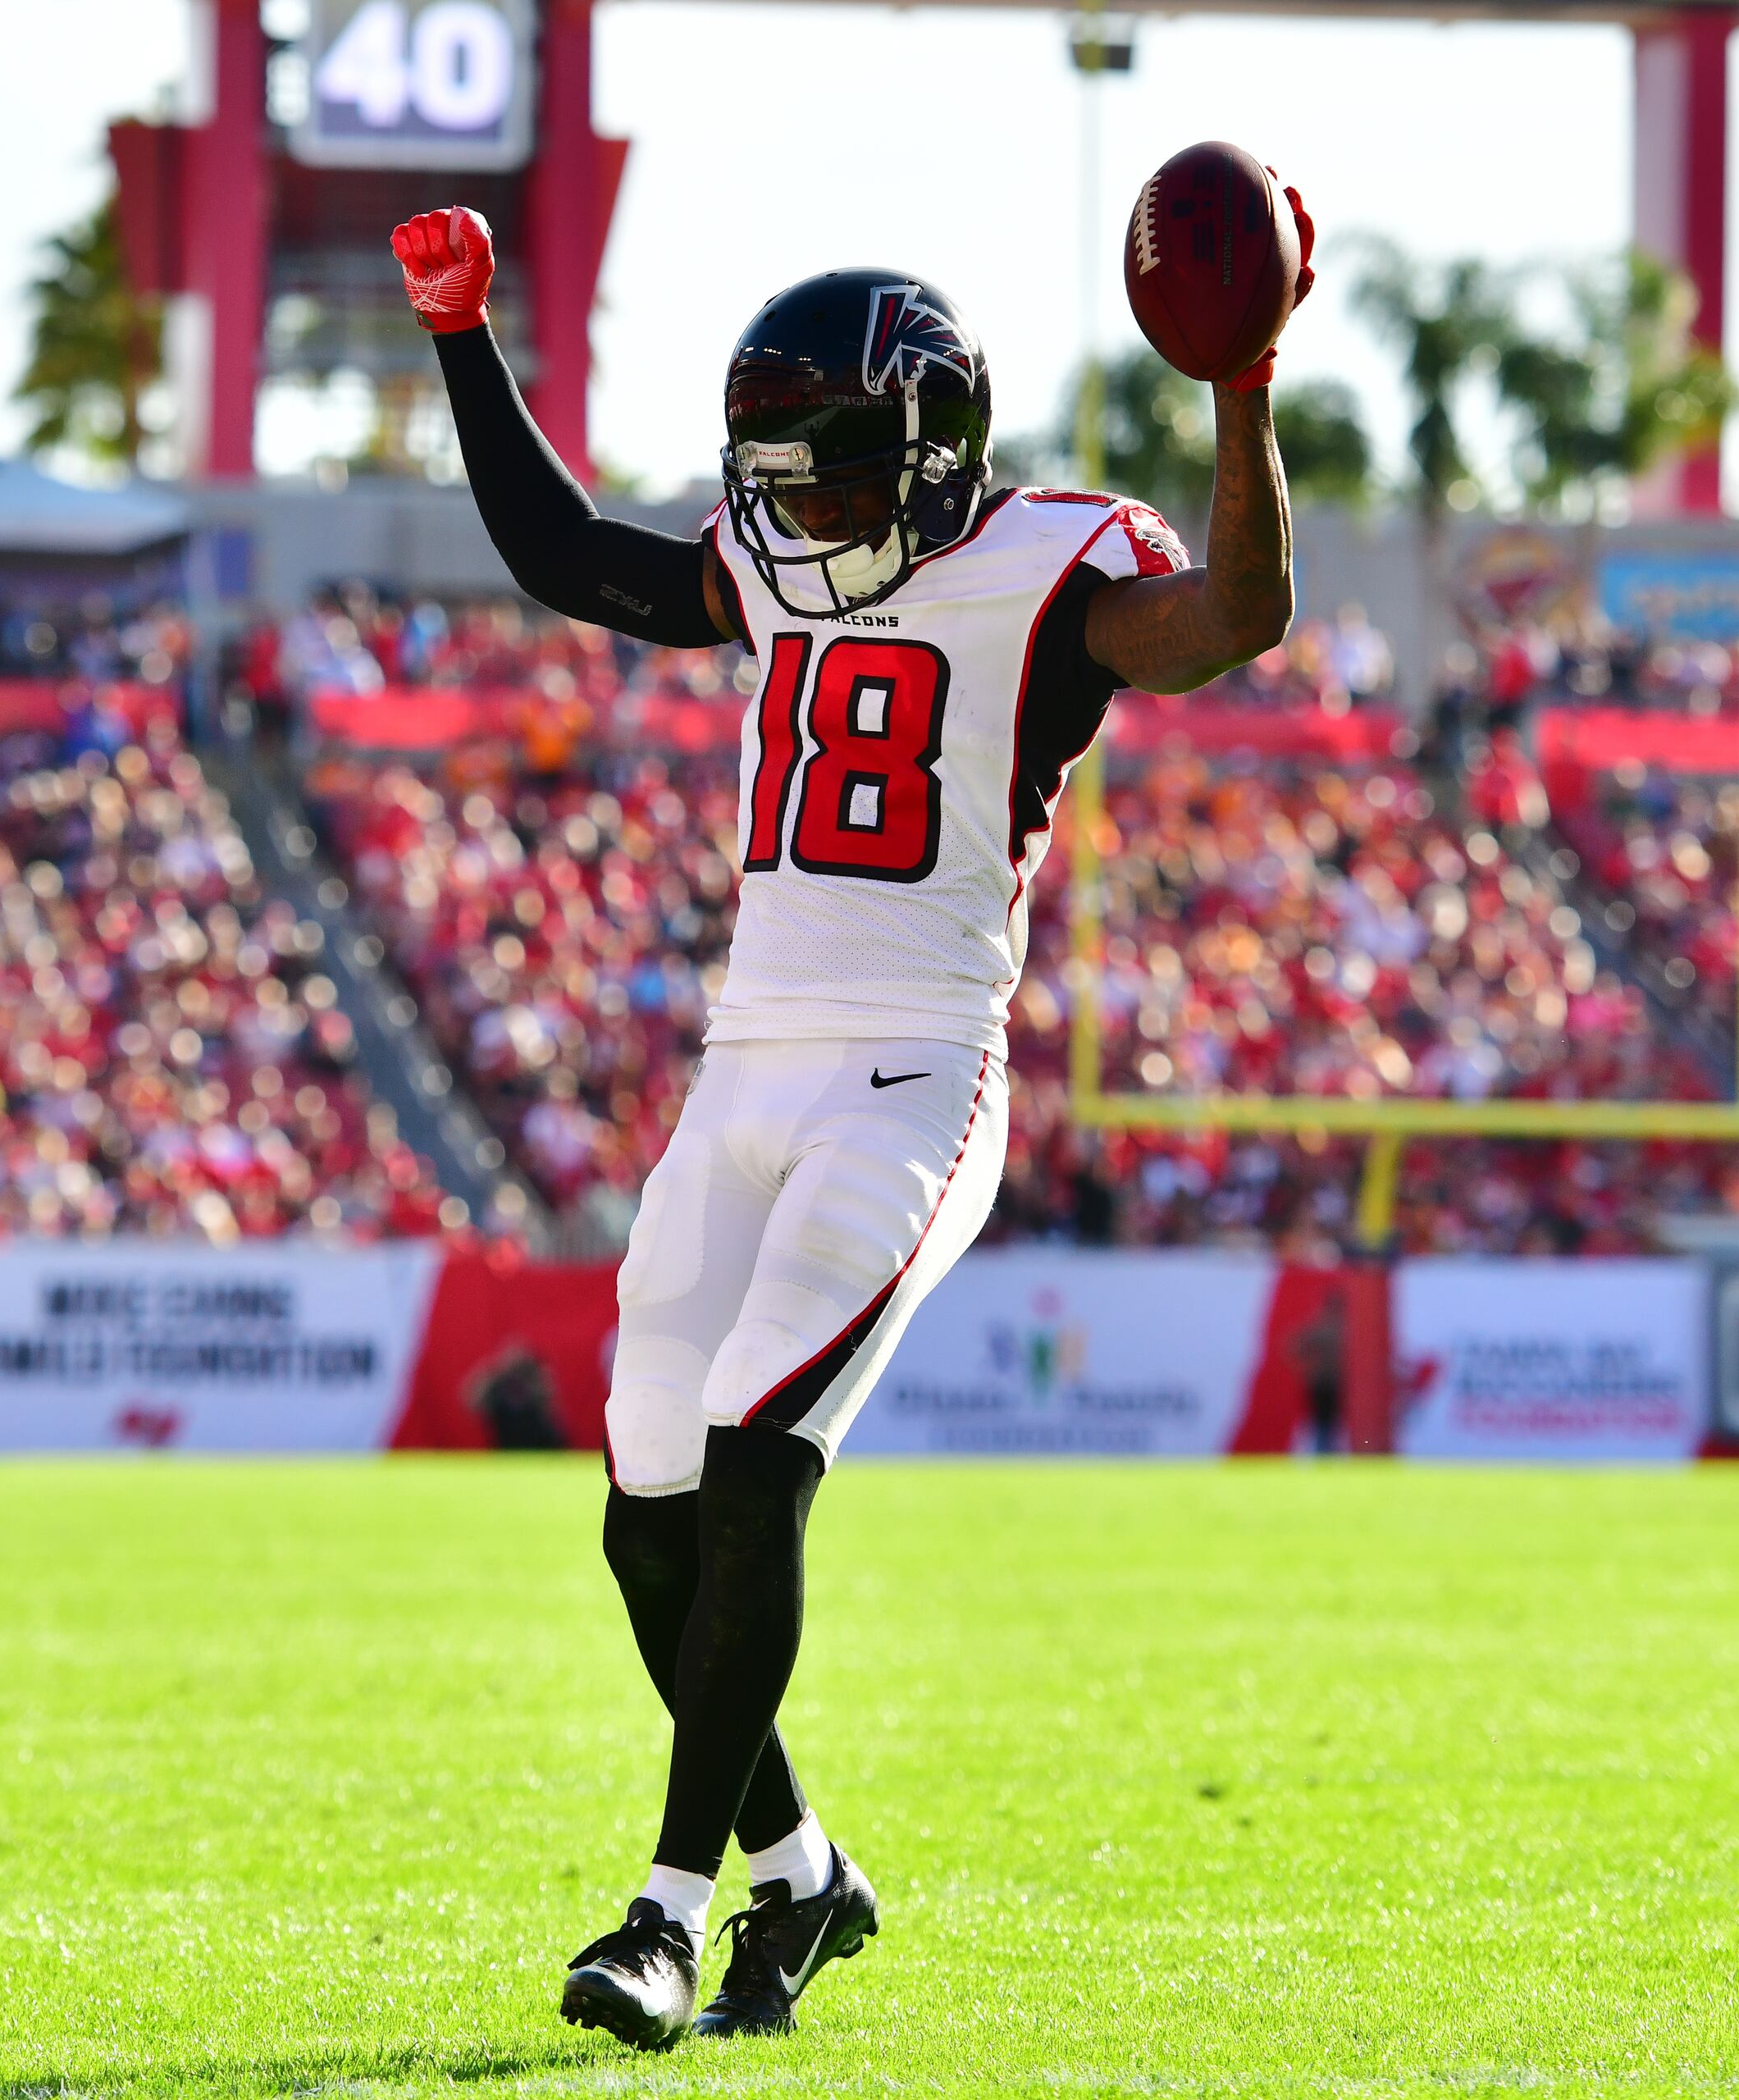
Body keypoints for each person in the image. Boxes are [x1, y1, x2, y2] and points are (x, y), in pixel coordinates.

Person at [389, 196, 1307, 2049]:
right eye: (776, 483)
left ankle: (660, 1911)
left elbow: (1234, 615)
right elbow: (574, 557)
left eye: (826, 479)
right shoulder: (781, 559)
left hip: (909, 1070)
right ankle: (804, 1874)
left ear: (927, 449)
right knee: (645, 1509)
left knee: (749, 1456)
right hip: (747, 1063)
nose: (794, 517)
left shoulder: (1047, 569)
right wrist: (459, 338)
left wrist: (1241, 393)